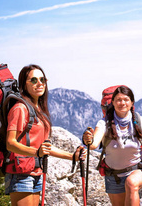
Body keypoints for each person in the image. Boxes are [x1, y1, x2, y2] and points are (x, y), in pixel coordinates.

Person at [83, 85, 142, 206]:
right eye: (118, 100)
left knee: (131, 183)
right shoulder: (104, 123)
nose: (122, 103)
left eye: (125, 99)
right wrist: (88, 140)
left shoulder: (140, 122)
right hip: (113, 175)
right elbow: (93, 144)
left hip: (138, 170)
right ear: (112, 102)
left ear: (132, 102)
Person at [5, 64, 85, 206]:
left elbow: (46, 148)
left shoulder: (40, 111)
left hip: (36, 171)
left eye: (42, 79)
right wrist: (37, 152)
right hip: (20, 173)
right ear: (24, 84)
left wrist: (72, 156)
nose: (40, 83)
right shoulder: (19, 108)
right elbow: (10, 143)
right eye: (34, 80)